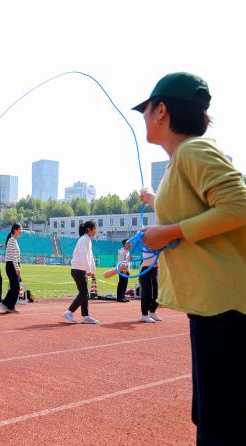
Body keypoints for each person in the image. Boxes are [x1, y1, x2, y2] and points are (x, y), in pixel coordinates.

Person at [133, 72, 246, 444]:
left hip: (225, 311)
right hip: (216, 308)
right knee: (215, 418)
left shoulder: (193, 151)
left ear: (161, 111)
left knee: (220, 425)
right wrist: (156, 202)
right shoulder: (183, 159)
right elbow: (200, 206)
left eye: (147, 109)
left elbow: (239, 205)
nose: (144, 117)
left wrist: (167, 232)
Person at [62, 221, 100, 324]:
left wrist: (92, 270)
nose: (96, 231)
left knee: (84, 293)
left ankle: (86, 316)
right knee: (84, 294)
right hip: (78, 270)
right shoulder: (83, 240)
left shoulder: (87, 240)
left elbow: (90, 257)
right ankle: (69, 312)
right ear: (88, 229)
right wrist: (88, 270)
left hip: (81, 270)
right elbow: (84, 256)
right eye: (95, 228)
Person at [0, 224, 22, 314]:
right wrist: (17, 268)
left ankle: (7, 305)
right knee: (16, 287)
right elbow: (13, 256)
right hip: (12, 265)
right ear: (15, 230)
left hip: (12, 265)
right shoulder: (12, 240)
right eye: (20, 229)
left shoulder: (13, 240)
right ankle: (8, 305)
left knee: (14, 287)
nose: (21, 231)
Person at [137, 249, 160, 323]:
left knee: (156, 294)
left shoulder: (159, 246)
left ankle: (152, 312)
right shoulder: (147, 244)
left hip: (155, 270)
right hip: (146, 270)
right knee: (148, 294)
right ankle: (144, 315)